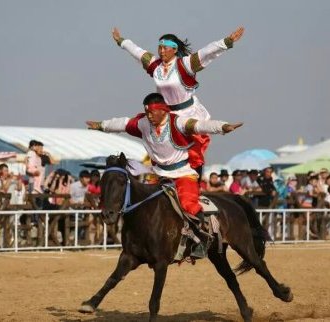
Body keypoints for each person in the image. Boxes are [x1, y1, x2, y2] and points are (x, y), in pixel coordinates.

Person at [86, 92, 242, 223]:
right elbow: (122, 124)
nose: (149, 116)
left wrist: (222, 127)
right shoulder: (144, 123)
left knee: (189, 204)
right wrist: (101, 125)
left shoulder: (178, 123)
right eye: (146, 113)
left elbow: (200, 126)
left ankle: (200, 238)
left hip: (183, 174)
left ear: (163, 110)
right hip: (158, 175)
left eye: (152, 112)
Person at [112, 27, 244, 176]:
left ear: (174, 49)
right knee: (161, 150)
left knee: (193, 153)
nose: (161, 51)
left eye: (165, 48)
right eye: (159, 48)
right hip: (166, 115)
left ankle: (195, 183)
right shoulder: (156, 66)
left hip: (189, 113)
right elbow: (137, 52)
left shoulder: (185, 64)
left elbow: (207, 52)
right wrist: (122, 41)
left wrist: (227, 41)